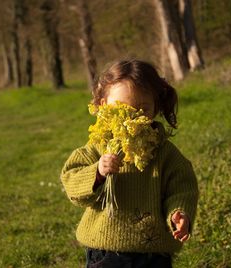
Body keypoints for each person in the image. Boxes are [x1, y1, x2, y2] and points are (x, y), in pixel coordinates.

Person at [60, 59, 199, 267]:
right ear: (103, 105)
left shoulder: (165, 153)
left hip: (153, 253)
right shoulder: (97, 146)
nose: (132, 117)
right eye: (123, 108)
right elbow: (71, 180)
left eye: (143, 109)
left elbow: (182, 188)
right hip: (105, 250)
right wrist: (97, 172)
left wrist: (179, 214)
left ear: (156, 106)